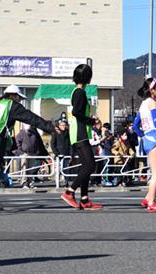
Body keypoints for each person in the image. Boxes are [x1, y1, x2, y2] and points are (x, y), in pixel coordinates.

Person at [0, 85, 54, 210]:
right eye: (19, 98)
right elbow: (32, 118)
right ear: (13, 95)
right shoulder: (11, 105)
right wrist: (50, 127)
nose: (20, 101)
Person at [60, 64, 103, 210]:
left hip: (78, 133)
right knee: (90, 165)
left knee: (86, 166)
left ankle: (84, 199)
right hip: (80, 133)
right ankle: (69, 192)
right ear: (87, 77)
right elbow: (77, 112)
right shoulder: (80, 93)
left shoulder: (76, 92)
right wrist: (92, 121)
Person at [131, 77, 156, 212]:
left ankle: (148, 198)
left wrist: (143, 135)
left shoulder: (142, 105)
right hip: (154, 137)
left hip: (149, 138)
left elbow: (135, 126)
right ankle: (152, 202)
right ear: (153, 90)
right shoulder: (152, 102)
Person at [15, 123, 49, 188]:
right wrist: (21, 152)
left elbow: (38, 142)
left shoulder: (34, 133)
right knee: (24, 168)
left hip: (33, 153)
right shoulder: (21, 134)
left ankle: (30, 182)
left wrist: (39, 152)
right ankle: (24, 182)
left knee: (31, 169)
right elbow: (18, 143)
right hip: (25, 153)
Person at [50, 119, 71, 185]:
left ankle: (66, 182)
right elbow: (52, 144)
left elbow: (70, 144)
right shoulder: (55, 133)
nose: (64, 126)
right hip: (59, 154)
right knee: (58, 169)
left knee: (66, 169)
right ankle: (57, 183)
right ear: (59, 126)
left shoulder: (67, 133)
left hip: (66, 154)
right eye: (62, 125)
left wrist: (70, 154)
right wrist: (57, 153)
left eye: (65, 125)